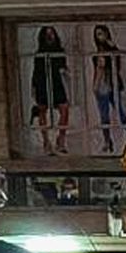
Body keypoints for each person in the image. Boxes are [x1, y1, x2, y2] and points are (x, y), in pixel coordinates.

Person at [90, 24, 126, 153]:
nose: (100, 37)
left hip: (112, 82)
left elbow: (116, 63)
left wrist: (111, 46)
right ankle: (107, 141)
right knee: (104, 116)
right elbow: (98, 69)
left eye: (102, 33)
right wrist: (95, 85)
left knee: (120, 111)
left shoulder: (112, 49)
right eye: (98, 34)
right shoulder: (97, 52)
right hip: (102, 84)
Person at [30, 25, 70, 156]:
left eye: (51, 33)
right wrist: (34, 87)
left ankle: (61, 139)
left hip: (56, 82)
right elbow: (36, 72)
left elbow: (63, 67)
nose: (50, 36)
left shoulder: (59, 51)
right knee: (42, 110)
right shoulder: (39, 53)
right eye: (47, 34)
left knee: (64, 109)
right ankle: (46, 141)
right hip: (42, 82)